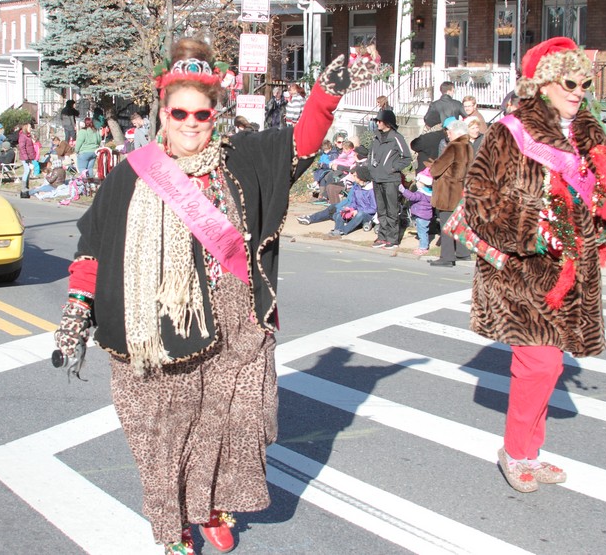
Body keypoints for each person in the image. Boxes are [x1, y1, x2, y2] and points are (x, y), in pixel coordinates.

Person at [52, 38, 377, 555]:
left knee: (237, 419)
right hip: (163, 325)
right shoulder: (131, 174)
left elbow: (300, 143)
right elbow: (92, 249)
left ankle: (211, 506)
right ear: (163, 111)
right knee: (169, 430)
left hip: (237, 320)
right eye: (179, 112)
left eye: (201, 113)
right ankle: (174, 523)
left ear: (215, 112)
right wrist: (76, 313)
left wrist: (326, 94)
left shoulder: (242, 158)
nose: (190, 122)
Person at [464, 37, 606, 493]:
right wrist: (530, 228)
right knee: (537, 363)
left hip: (573, 272)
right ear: (543, 83)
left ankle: (529, 453)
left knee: (551, 366)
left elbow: (599, 194)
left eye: (584, 82)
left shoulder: (588, 134)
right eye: (569, 82)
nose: (579, 91)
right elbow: (477, 197)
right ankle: (517, 453)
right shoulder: (511, 130)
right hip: (522, 272)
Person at [429, 119, 473, 267]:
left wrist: (433, 166)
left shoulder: (453, 147)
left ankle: (447, 257)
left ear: (458, 132)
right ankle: (463, 253)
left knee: (446, 224)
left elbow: (437, 168)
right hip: (461, 190)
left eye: (450, 131)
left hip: (448, 191)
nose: (448, 133)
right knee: (459, 223)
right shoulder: (469, 146)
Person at [368, 107, 412, 249]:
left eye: (380, 121)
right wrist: (371, 169)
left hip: (391, 179)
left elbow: (406, 158)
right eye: (377, 121)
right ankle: (382, 237)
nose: (378, 123)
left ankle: (393, 239)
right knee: (381, 210)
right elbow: (371, 155)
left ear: (387, 122)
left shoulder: (396, 137)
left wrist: (393, 168)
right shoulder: (376, 137)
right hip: (377, 178)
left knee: (391, 210)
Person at [297, 165, 377, 236]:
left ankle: (343, 231)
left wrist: (357, 211)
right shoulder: (356, 187)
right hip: (355, 211)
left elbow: (373, 208)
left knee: (360, 214)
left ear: (361, 177)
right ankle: (337, 230)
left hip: (366, 215)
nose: (353, 178)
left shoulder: (371, 190)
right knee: (340, 213)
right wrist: (350, 209)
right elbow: (353, 202)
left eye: (355, 176)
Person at [400, 169, 434, 256]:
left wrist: (403, 190)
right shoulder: (429, 193)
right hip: (426, 215)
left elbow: (412, 196)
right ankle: (424, 245)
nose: (416, 183)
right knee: (424, 231)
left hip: (421, 216)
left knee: (422, 232)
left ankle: (423, 247)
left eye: (417, 181)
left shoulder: (421, 194)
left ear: (422, 183)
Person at [17, 123, 37, 193]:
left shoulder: (28, 136)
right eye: (29, 127)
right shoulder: (22, 136)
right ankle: (24, 187)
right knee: (27, 170)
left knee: (29, 171)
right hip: (25, 157)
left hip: (29, 156)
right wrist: (26, 158)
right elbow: (22, 148)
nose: (31, 129)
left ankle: (27, 186)